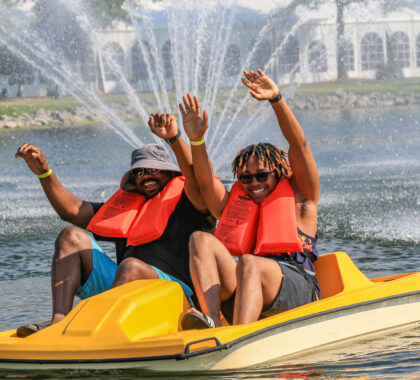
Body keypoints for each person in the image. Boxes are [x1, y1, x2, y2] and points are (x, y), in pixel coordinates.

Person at [15, 114, 213, 337]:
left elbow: (198, 180)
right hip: (122, 289)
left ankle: (106, 333)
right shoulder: (126, 208)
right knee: (70, 236)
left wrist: (175, 138)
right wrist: (44, 172)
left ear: (169, 172)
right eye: (139, 172)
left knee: (130, 267)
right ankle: (58, 323)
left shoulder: (190, 200)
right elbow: (71, 210)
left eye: (153, 169)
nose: (145, 176)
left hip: (177, 295)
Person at [179, 70, 321, 329]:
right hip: (248, 287)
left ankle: (238, 338)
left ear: (277, 173)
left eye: (261, 175)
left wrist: (276, 99)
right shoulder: (235, 205)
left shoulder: (302, 198)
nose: (254, 183)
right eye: (246, 178)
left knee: (248, 263)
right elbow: (204, 183)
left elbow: (299, 145)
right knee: (200, 239)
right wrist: (195, 140)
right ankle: (213, 323)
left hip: (298, 289)